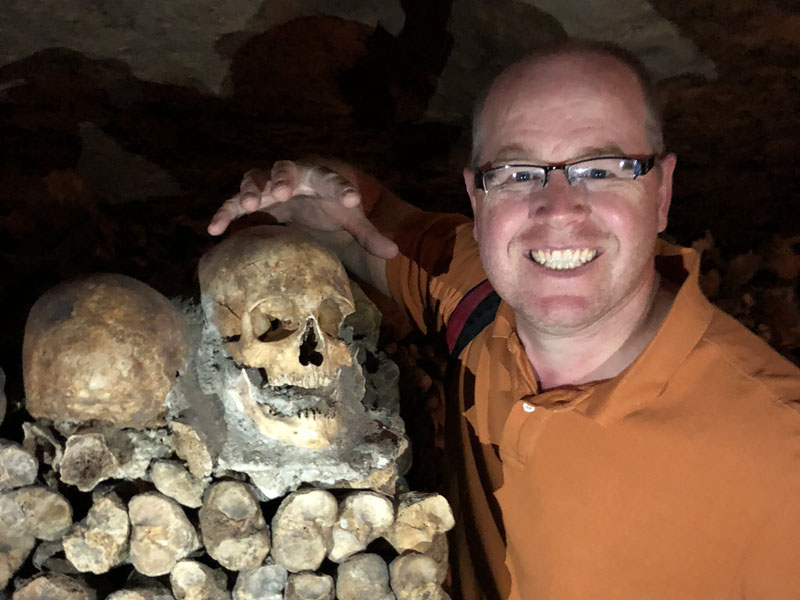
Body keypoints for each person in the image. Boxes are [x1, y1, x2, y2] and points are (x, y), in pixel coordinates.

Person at [208, 41, 800, 599]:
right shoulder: (475, 296)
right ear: (477, 198)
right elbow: (359, 223)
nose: (559, 208)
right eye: (519, 173)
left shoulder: (781, 462)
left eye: (602, 168)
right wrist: (302, 184)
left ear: (663, 189)